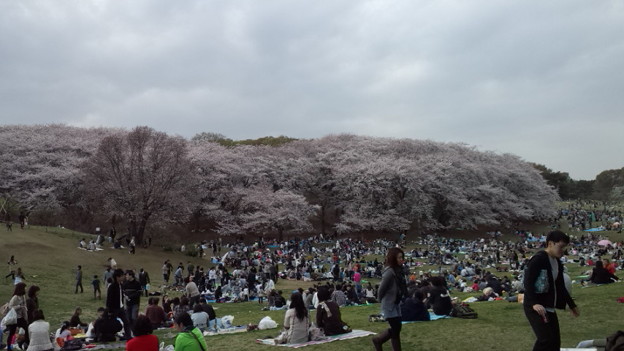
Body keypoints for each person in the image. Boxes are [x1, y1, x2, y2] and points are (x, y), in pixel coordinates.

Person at [523, 230, 579, 351]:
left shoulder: (557, 262)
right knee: (545, 339)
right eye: (560, 247)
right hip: (535, 306)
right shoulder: (538, 259)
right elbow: (528, 282)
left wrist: (572, 305)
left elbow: (560, 286)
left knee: (554, 342)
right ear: (550, 244)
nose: (562, 250)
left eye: (564, 247)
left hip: (548, 306)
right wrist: (534, 303)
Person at [372, 247, 407, 351]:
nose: (401, 259)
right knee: (396, 328)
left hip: (396, 303)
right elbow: (381, 289)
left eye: (402, 257)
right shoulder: (389, 272)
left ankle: (378, 340)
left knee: (397, 328)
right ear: (393, 258)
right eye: (399, 257)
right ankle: (379, 341)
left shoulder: (399, 270)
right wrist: (380, 300)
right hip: (389, 304)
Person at [106, 269, 131, 339]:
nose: (124, 277)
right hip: (114, 308)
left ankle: (128, 336)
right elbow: (109, 299)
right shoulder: (112, 287)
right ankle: (110, 337)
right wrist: (109, 311)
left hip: (121, 307)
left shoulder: (121, 285)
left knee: (126, 322)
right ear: (117, 277)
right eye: (122, 276)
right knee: (112, 324)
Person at [8, 282, 29, 351]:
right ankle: (9, 347)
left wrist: (26, 317)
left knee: (27, 330)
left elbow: (24, 307)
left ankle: (25, 344)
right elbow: (10, 307)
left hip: (21, 318)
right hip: (14, 318)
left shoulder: (23, 297)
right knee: (12, 332)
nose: (26, 289)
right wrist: (19, 306)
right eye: (25, 288)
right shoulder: (15, 297)